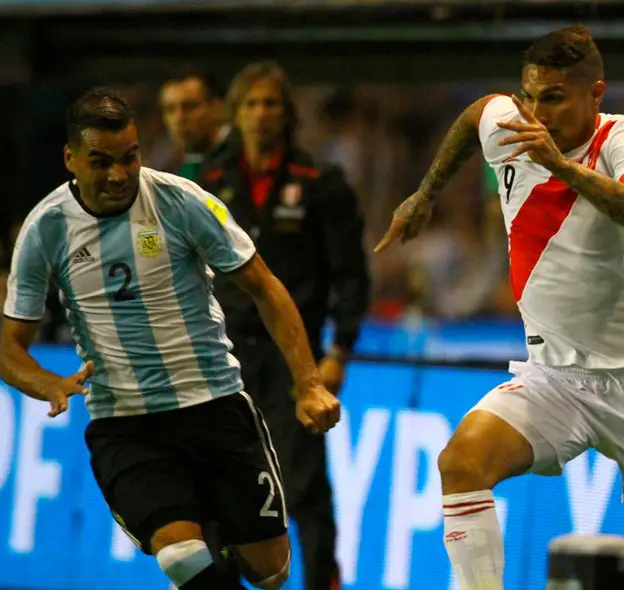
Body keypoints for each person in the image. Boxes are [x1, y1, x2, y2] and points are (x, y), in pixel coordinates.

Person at [375, 26, 624, 590]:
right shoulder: (508, 121)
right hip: (554, 378)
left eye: (553, 97)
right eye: (530, 95)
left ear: (594, 94)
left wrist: (560, 166)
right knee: (460, 463)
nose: (535, 111)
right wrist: (425, 193)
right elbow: (475, 115)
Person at [0, 87, 341, 590]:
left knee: (270, 572)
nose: (119, 175)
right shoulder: (46, 229)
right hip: (127, 424)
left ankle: (219, 534)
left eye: (129, 158)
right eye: (101, 162)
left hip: (215, 405)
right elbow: (10, 345)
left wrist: (308, 383)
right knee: (182, 557)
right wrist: (45, 383)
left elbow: (265, 287)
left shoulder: (182, 201)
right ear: (70, 158)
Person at [198, 61, 370, 590]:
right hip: (222, 358)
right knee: (214, 481)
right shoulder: (205, 182)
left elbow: (350, 276)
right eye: (250, 103)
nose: (260, 114)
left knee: (303, 487)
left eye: (271, 103)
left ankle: (322, 581)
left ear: (287, 115)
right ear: (235, 114)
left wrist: (338, 350)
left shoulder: (320, 184)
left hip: (293, 360)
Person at [160, 67, 229, 181]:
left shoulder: (243, 160)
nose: (179, 118)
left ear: (216, 108)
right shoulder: (172, 168)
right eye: (170, 109)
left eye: (189, 107)